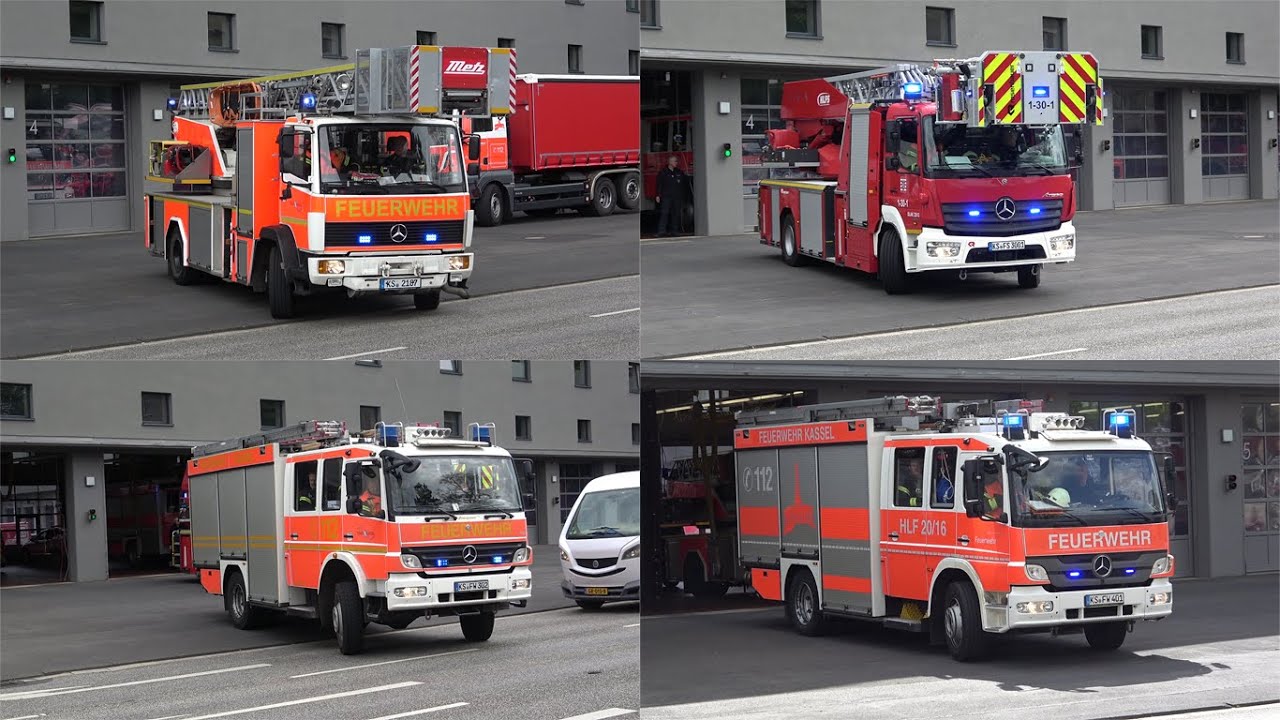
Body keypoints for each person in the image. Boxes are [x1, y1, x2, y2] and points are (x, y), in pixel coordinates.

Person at [655, 155, 689, 237]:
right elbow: (659, 184)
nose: (676, 163)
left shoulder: (679, 172)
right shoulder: (663, 172)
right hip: (666, 196)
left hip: (676, 197)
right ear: (670, 162)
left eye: (676, 161)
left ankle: (674, 231)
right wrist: (658, 195)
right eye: (675, 161)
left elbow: (684, 183)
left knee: (676, 214)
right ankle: (661, 231)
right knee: (664, 213)